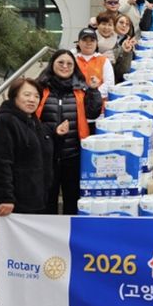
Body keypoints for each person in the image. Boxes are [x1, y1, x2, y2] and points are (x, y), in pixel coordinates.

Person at [0, 77, 65, 306]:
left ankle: (23, 299)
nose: (32, 100)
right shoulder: (4, 123)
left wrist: (55, 133)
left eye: (36, 96)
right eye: (27, 95)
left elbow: (40, 148)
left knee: (27, 254)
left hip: (37, 199)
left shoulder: (32, 122)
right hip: (17, 202)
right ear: (14, 96)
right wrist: (4, 197)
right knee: (14, 254)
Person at [36, 50, 102, 215]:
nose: (65, 66)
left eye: (69, 64)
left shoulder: (81, 88)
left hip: (73, 155)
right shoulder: (40, 88)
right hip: (46, 156)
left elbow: (92, 113)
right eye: (61, 62)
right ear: (52, 64)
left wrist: (94, 91)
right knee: (46, 201)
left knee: (72, 201)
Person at [73, 27, 114, 103]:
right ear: (78, 42)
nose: (88, 43)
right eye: (84, 40)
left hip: (98, 105)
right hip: (75, 104)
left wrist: (92, 95)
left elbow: (109, 83)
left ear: (96, 43)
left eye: (92, 40)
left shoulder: (104, 60)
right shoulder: (72, 60)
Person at [113, 14, 136, 83]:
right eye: (121, 22)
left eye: (127, 24)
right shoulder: (107, 38)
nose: (124, 25)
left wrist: (128, 52)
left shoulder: (129, 42)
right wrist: (121, 49)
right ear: (114, 24)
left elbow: (125, 70)